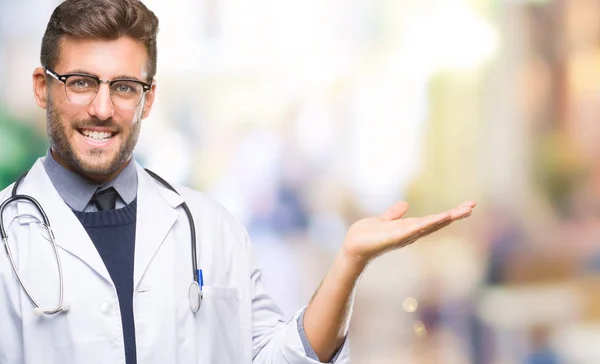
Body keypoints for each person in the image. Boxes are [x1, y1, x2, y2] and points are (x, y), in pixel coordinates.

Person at [0, 1, 476, 363]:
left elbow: (277, 356)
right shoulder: (7, 239)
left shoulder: (210, 227)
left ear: (147, 99)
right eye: (81, 82)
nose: (102, 108)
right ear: (43, 87)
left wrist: (348, 263)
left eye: (124, 87)